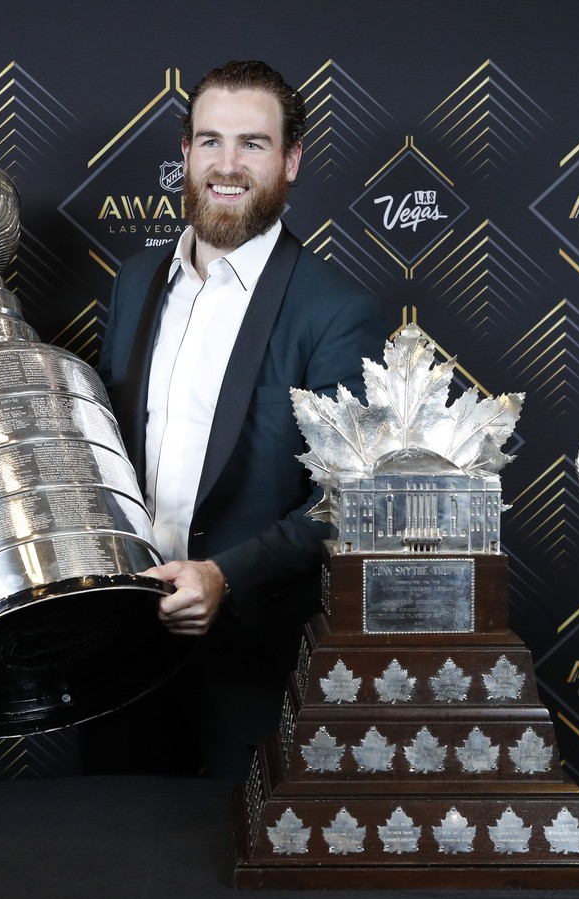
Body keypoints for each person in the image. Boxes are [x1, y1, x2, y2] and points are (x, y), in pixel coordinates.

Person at [83, 59, 391, 778]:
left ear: (290, 161)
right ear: (185, 154)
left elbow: (347, 500)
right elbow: (96, 431)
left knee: (232, 875)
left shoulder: (338, 311)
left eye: (252, 144)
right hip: (120, 647)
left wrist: (224, 576)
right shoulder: (135, 282)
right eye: (209, 141)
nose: (227, 164)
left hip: (251, 664)